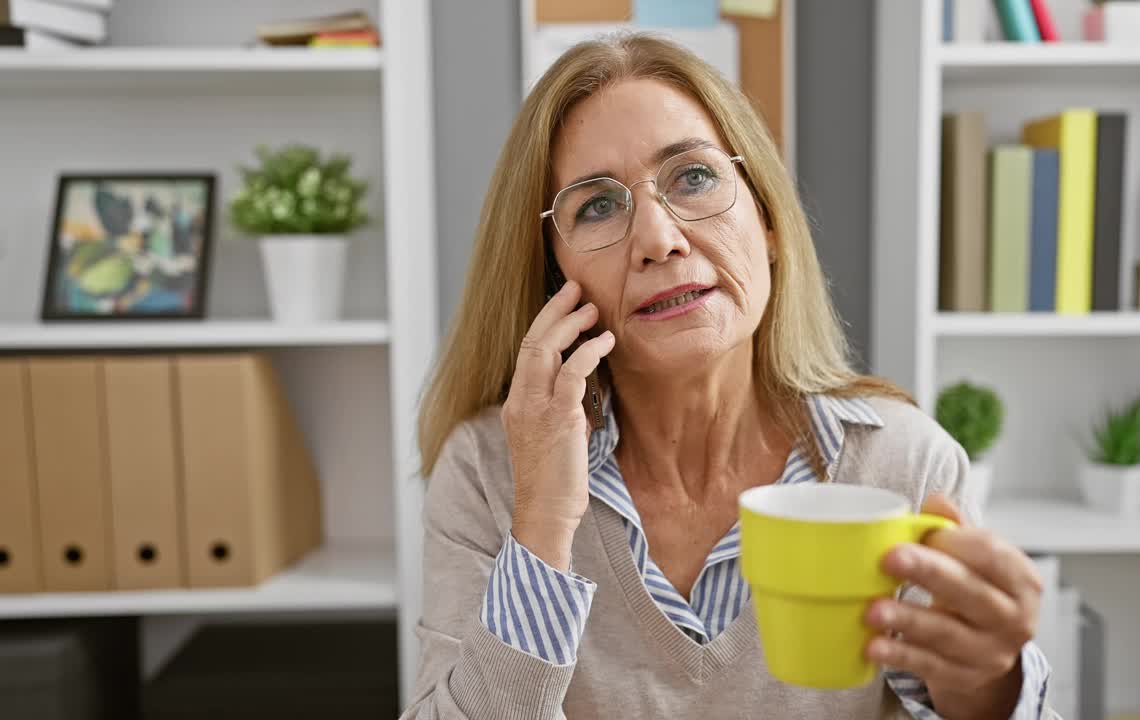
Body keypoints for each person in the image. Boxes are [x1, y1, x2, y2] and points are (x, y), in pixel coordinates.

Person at [402, 33, 1056, 720]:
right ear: (554, 273)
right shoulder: (487, 470)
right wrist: (540, 520)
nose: (658, 238)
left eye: (693, 177)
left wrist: (989, 685)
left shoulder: (900, 464)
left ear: (768, 219)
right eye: (597, 206)